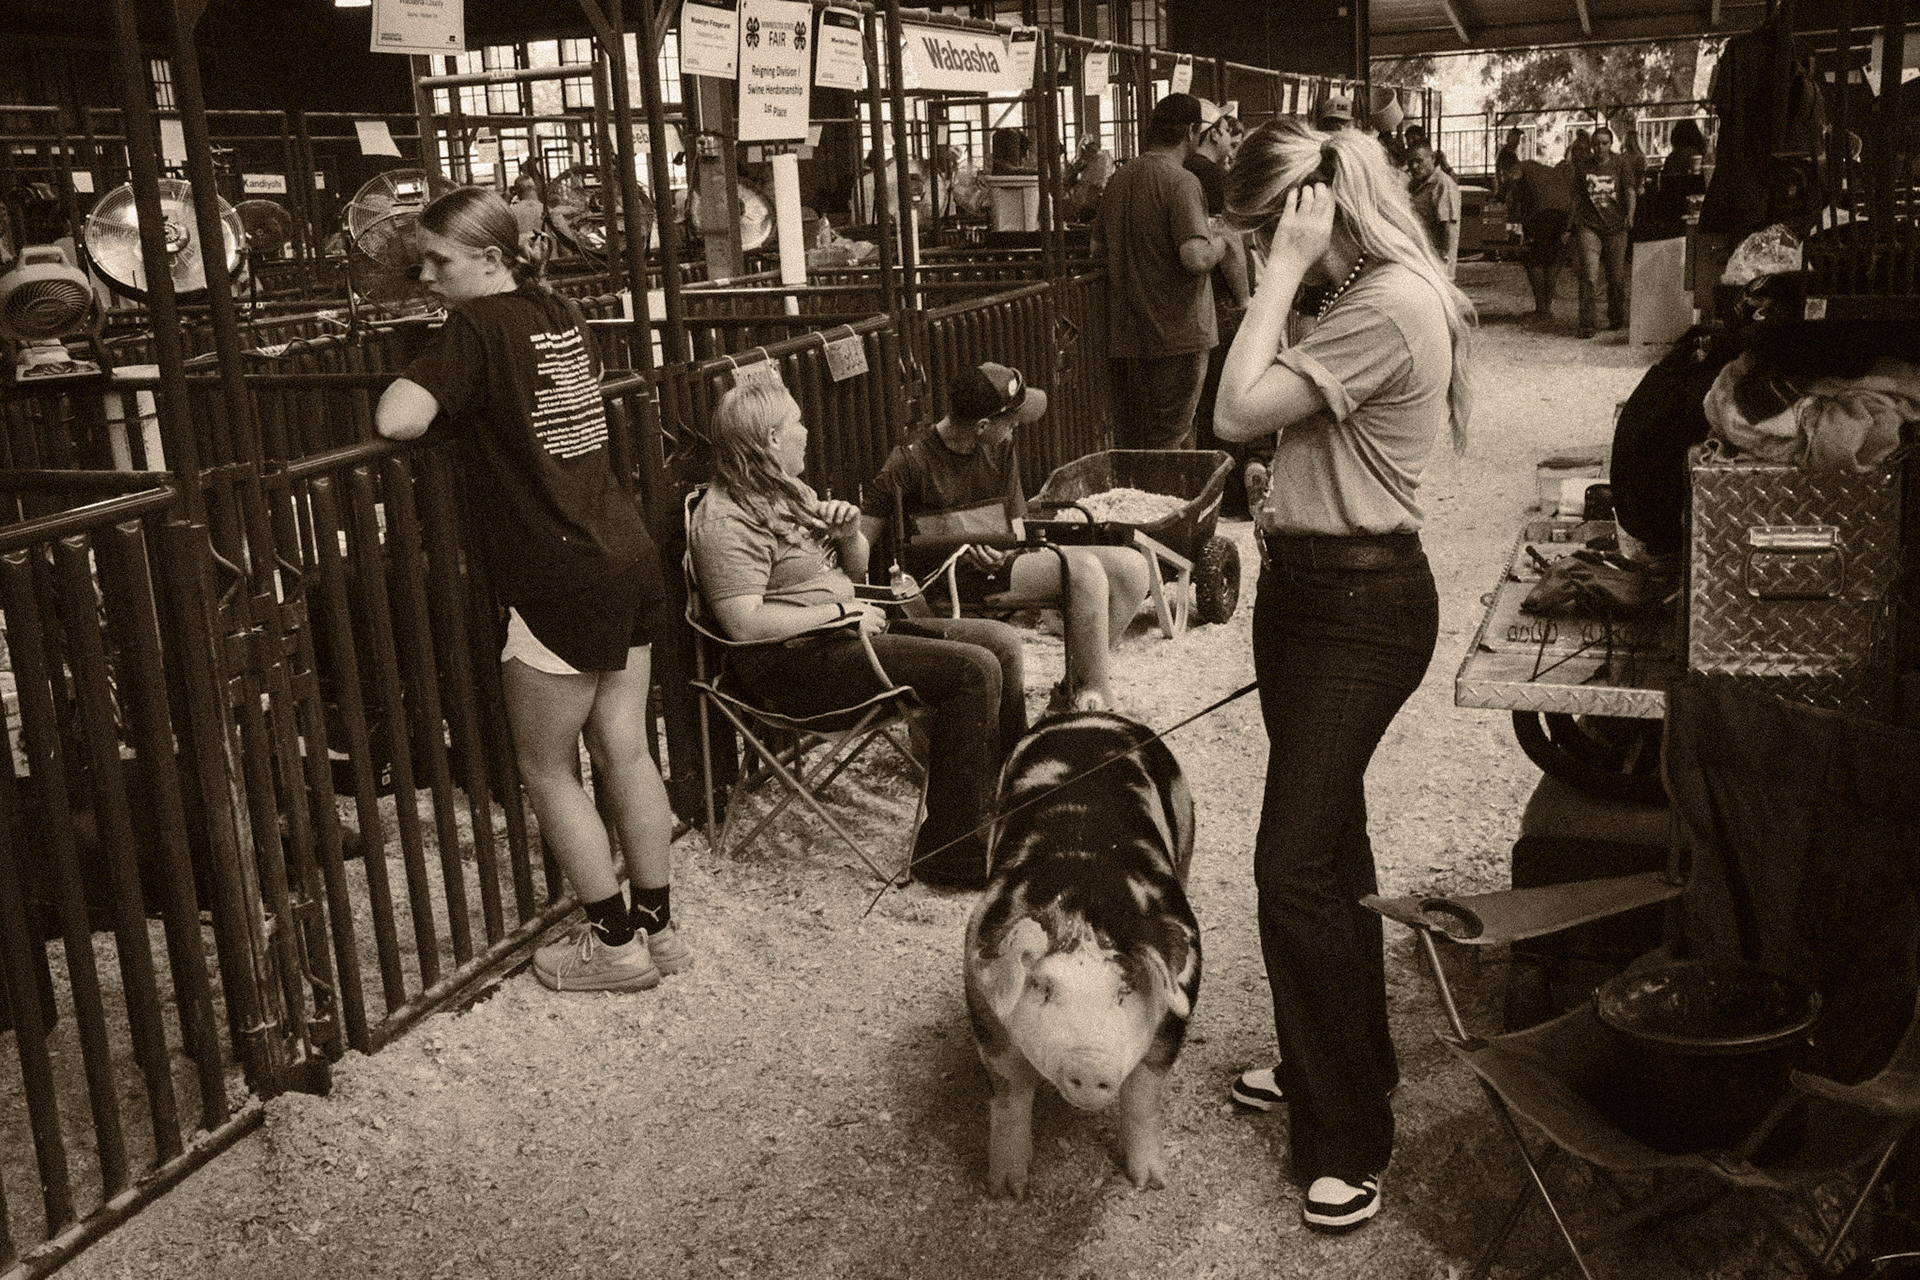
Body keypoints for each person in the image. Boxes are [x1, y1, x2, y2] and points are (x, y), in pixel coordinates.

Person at [1212, 117, 1473, 1235]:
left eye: (1255, 232)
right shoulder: (1356, 288)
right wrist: (1284, 272)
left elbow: (1228, 412)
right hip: (1309, 595)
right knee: (1332, 845)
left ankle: (1349, 1131)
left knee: (1291, 866)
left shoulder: (1387, 303)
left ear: (1303, 214)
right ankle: (1340, 1058)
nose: (1248, 256)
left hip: (1361, 609)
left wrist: (1274, 274)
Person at [374, 187, 684, 994]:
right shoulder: (557, 311)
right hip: (623, 545)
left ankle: (613, 946)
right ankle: (656, 922)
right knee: (625, 744)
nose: (428, 278)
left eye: (440, 261)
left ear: (492, 258)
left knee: (545, 766)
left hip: (557, 570)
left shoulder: (476, 327)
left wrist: (427, 375)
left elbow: (399, 419)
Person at [689, 381, 1027, 890]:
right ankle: (952, 856)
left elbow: (853, 572)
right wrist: (839, 615)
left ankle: (1011, 803)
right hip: (796, 667)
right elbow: (744, 624)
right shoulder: (725, 519)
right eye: (798, 422)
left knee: (999, 642)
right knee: (972, 671)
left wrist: (848, 537)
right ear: (772, 439)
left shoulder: (788, 491)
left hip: (849, 635)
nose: (807, 431)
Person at [859, 362, 1149, 713]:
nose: (1015, 428)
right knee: (1083, 572)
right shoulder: (910, 462)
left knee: (1133, 568)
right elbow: (862, 542)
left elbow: (1016, 524)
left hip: (1000, 565)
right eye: (1010, 421)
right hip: (944, 585)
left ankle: (1070, 695)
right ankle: (1096, 703)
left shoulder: (999, 447)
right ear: (982, 426)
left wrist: (1002, 541)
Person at [1091, 93, 1232, 451]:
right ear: (1191, 132)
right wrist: (1223, 241)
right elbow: (1195, 257)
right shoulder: (1181, 182)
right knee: (1171, 439)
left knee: (1146, 438)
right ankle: (1173, 504)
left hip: (1129, 335)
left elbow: (1096, 249)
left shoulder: (1119, 179)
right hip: (1180, 334)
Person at [1572, 125, 1636, 338]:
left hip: (1616, 227)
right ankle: (1587, 323)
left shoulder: (1620, 163)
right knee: (1589, 274)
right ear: (1592, 145)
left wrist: (1630, 214)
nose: (1600, 148)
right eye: (1597, 144)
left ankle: (1616, 317)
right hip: (1589, 226)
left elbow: (1629, 190)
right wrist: (1573, 222)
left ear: (1611, 145)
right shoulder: (1583, 166)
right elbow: (1578, 196)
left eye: (1605, 144)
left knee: (1616, 277)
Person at [1500, 150, 1574, 319]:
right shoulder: (1535, 166)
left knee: (1534, 261)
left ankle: (1542, 309)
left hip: (1543, 213)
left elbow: (1515, 189)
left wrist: (1504, 193)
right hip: (1563, 212)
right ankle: (1546, 307)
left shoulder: (1518, 170)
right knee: (1553, 259)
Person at [1406, 142, 1461, 277]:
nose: (1414, 166)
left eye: (1419, 161)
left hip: (1436, 264)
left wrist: (1442, 262)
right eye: (1410, 162)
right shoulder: (1414, 184)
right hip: (1421, 259)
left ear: (1432, 159)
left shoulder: (1442, 184)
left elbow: (1447, 227)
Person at [508, 174, 545, 244]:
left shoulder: (511, 212)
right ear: (535, 188)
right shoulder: (547, 210)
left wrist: (507, 199)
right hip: (547, 252)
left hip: (524, 253)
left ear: (516, 192)